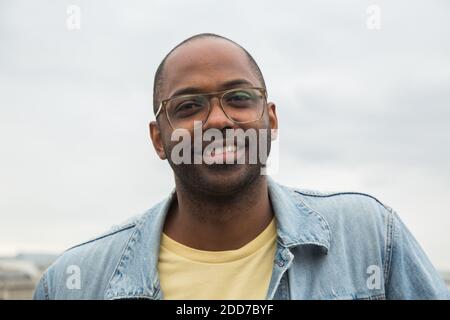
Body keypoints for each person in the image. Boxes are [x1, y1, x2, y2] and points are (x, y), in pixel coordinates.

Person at [33, 33, 449, 300]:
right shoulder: (76, 283)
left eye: (238, 98)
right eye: (189, 106)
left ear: (271, 120)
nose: (217, 121)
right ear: (159, 139)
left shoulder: (372, 236)